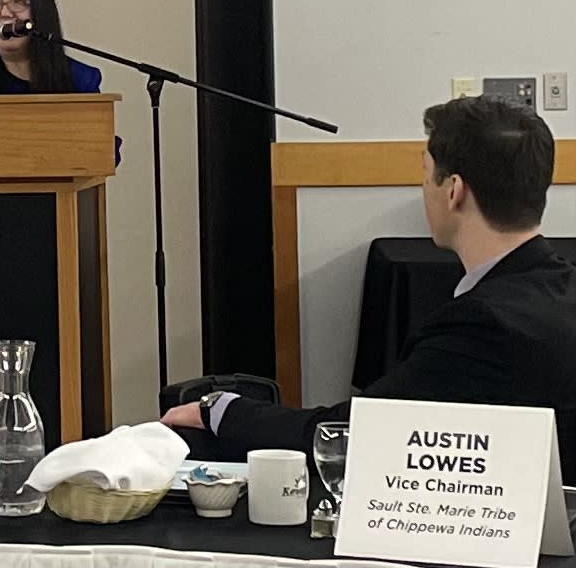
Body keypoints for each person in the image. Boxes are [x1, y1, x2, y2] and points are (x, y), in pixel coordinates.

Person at [161, 96, 576, 485]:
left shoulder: (482, 324)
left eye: (425, 175)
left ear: (454, 191)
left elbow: (351, 435)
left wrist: (219, 409)